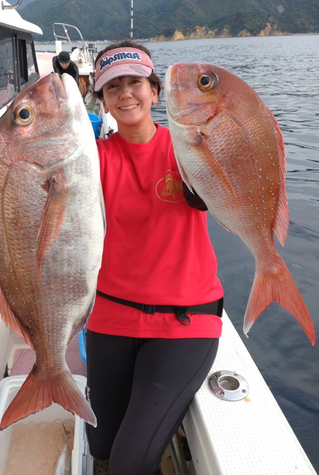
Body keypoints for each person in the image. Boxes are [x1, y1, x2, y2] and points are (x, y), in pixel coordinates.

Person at [85, 41, 224, 475]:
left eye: (135, 83)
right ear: (102, 100)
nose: (126, 95)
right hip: (111, 316)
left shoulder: (187, 149)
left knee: (130, 461)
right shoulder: (92, 160)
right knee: (100, 446)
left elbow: (211, 192)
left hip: (184, 322)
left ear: (155, 91)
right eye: (113, 88)